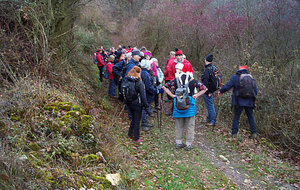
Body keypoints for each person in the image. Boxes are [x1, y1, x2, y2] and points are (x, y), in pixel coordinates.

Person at [162, 63, 207, 150]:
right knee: (190, 125)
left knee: (179, 125)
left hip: (178, 105)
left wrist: (172, 95)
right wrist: (196, 95)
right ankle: (188, 144)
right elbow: (204, 88)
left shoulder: (176, 80)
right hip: (190, 105)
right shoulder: (192, 80)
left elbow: (164, 87)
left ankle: (178, 142)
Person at [218, 65, 258, 138]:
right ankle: (254, 133)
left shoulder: (235, 77)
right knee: (250, 117)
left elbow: (228, 86)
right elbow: (255, 90)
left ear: (239, 70)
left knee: (236, 116)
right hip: (249, 101)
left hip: (238, 101)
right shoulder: (251, 78)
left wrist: (221, 91)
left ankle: (234, 134)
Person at [125, 66, 150, 143]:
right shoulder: (139, 82)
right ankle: (136, 138)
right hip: (137, 104)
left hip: (129, 103)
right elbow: (143, 96)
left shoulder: (127, 80)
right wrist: (146, 106)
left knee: (133, 118)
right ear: (139, 73)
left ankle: (130, 133)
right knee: (137, 121)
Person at [140, 59, 163, 131]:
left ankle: (145, 122)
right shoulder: (145, 74)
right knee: (144, 108)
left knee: (145, 108)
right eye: (149, 65)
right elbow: (148, 87)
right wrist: (157, 91)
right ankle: (143, 124)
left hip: (145, 94)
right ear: (147, 66)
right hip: (146, 94)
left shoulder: (144, 72)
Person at [201, 54, 217, 126]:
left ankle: (213, 121)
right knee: (209, 105)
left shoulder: (207, 70)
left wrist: (208, 91)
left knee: (210, 105)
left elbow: (205, 82)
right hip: (212, 90)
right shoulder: (214, 68)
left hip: (208, 90)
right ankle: (208, 119)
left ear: (206, 60)